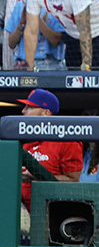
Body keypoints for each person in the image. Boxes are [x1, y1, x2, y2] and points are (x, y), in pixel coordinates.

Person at [18, 89, 81, 233]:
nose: (23, 111)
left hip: (52, 214)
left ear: (45, 113)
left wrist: (35, 176)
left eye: (30, 107)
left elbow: (73, 181)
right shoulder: (25, 141)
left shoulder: (66, 140)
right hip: (20, 209)